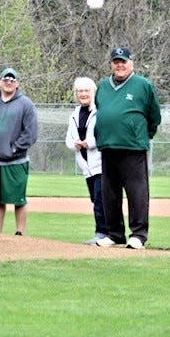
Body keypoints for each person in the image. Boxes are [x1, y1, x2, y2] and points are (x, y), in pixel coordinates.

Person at [94, 47, 161, 249]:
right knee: (109, 193)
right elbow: (101, 111)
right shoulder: (103, 86)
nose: (119, 65)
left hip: (133, 148)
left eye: (123, 61)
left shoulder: (143, 85)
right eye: (116, 62)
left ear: (131, 63)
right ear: (111, 64)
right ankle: (115, 234)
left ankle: (138, 235)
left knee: (136, 192)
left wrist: (140, 135)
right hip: (108, 147)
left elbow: (154, 116)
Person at [0, 68, 38, 236]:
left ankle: (19, 233)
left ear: (17, 83)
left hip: (16, 162)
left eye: (12, 80)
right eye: (5, 79)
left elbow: (30, 133)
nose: (8, 82)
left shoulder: (26, 104)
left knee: (19, 199)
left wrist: (15, 148)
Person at [65, 77, 107, 245]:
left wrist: (89, 143)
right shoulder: (75, 114)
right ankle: (104, 232)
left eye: (86, 90)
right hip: (86, 165)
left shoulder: (100, 111)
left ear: (93, 92)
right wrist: (74, 144)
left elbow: (105, 134)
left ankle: (103, 233)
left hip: (101, 163)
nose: (83, 94)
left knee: (100, 198)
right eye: (80, 91)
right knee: (95, 199)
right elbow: (69, 138)